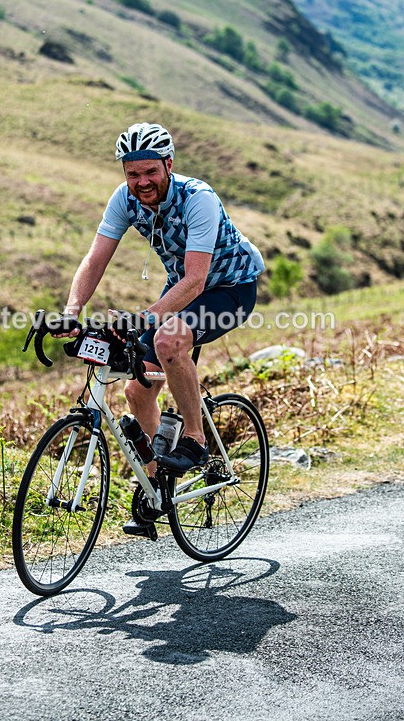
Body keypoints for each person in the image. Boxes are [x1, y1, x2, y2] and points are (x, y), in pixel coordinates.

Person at [55, 122, 264, 530]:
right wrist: (72, 309)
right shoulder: (125, 199)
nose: (142, 181)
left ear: (169, 165)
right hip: (183, 286)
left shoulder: (197, 198)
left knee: (169, 341)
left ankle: (196, 440)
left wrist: (146, 318)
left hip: (229, 286)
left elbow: (196, 280)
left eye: (150, 171)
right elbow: (96, 258)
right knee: (137, 388)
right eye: (133, 174)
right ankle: (155, 490)